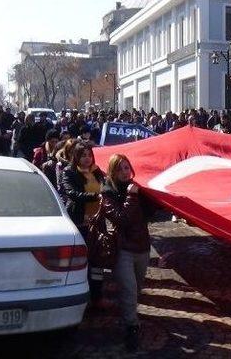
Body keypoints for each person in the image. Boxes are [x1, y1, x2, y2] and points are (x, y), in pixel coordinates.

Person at [100, 154, 154, 352]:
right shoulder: (107, 193)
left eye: (127, 168)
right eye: (120, 168)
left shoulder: (138, 188)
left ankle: (128, 312)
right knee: (129, 288)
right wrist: (131, 196)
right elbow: (121, 219)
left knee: (137, 288)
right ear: (113, 171)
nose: (125, 172)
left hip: (142, 247)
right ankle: (132, 326)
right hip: (123, 249)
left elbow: (151, 213)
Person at [59, 143, 108, 310]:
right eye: (83, 155)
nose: (87, 158)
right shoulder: (69, 172)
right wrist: (96, 196)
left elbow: (107, 187)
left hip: (97, 223)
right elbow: (72, 193)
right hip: (80, 222)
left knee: (97, 262)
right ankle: (79, 295)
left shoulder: (96, 171)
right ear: (76, 157)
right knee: (81, 261)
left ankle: (97, 296)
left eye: (89, 155)